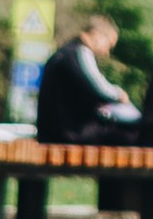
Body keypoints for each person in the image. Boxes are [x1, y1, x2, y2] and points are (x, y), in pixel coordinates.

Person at [35, 15, 141, 143]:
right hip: (72, 133)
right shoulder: (80, 53)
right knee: (134, 134)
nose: (107, 52)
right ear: (97, 36)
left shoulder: (63, 52)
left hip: (54, 132)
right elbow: (99, 88)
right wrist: (119, 95)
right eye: (109, 45)